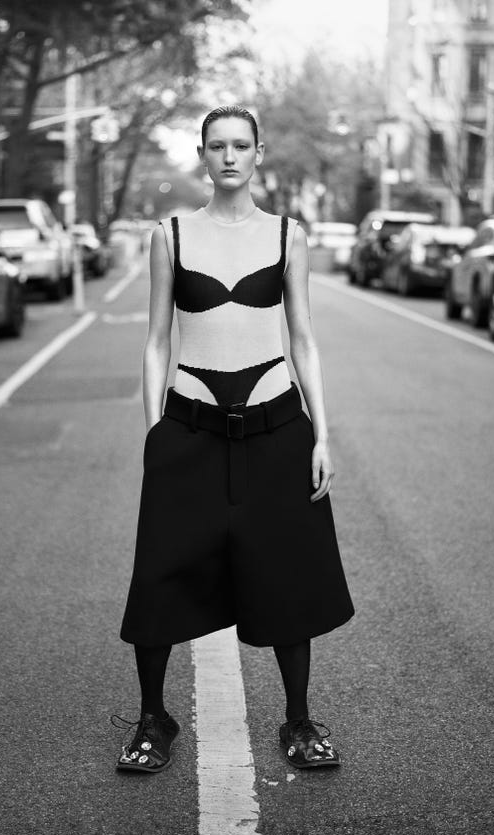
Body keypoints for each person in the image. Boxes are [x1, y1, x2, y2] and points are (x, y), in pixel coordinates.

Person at [113, 105, 354, 774]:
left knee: (288, 573)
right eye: (217, 145)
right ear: (202, 152)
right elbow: (156, 340)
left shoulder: (287, 234)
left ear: (257, 152)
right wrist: (153, 433)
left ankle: (299, 719)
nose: (228, 156)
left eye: (240, 145)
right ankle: (152, 718)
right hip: (189, 429)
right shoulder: (172, 235)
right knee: (160, 572)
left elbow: (303, 338)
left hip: (277, 425)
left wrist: (321, 434)